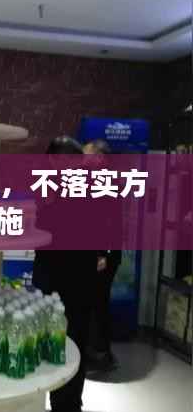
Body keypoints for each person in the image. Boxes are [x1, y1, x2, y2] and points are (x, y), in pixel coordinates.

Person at [34, 136, 98, 412]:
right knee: (72, 342)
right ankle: (69, 408)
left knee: (64, 345)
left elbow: (51, 226)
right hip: (77, 280)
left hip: (66, 282)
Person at [83, 139, 122, 373]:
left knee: (97, 303)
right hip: (99, 253)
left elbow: (108, 224)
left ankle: (100, 355)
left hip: (103, 256)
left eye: (86, 154)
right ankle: (98, 352)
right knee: (95, 302)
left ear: (99, 158)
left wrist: (102, 254)